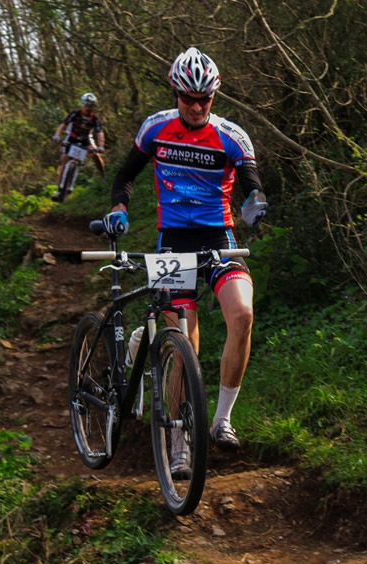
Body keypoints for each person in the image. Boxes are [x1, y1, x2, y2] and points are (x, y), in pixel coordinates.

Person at [102, 47, 268, 474]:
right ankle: (179, 441)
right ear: (175, 94)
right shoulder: (156, 128)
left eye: (204, 99)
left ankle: (221, 420)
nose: (196, 107)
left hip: (218, 239)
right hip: (173, 243)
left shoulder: (231, 136)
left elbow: (251, 181)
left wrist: (254, 201)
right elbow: (125, 175)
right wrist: (120, 208)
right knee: (185, 343)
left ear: (213, 97)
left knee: (243, 314)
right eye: (188, 99)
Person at [51, 92, 105, 199]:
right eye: (86, 105)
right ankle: (59, 190)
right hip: (71, 138)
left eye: (90, 106)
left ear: (93, 107)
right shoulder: (75, 114)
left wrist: (101, 146)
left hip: (86, 139)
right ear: (82, 104)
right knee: (64, 159)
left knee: (95, 155)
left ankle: (103, 176)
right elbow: (63, 125)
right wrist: (57, 135)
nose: (87, 108)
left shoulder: (95, 119)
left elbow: (99, 132)